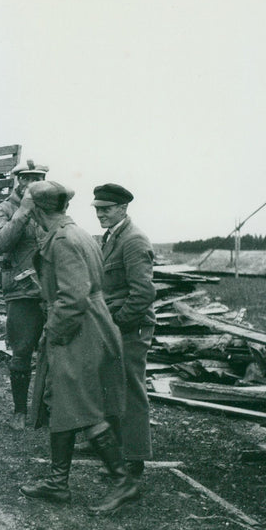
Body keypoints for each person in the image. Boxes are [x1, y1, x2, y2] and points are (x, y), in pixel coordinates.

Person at [19, 181, 138, 514]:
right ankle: (58, 482)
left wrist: (53, 332)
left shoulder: (64, 241)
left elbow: (73, 297)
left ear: (36, 210)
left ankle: (123, 481)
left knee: (81, 404)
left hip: (79, 328)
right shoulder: (77, 233)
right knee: (63, 399)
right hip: (86, 323)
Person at [92, 183, 156, 483]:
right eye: (97, 209)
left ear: (123, 208)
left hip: (130, 327)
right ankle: (118, 453)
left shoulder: (133, 240)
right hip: (115, 326)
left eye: (106, 209)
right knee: (114, 390)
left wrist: (119, 322)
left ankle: (135, 458)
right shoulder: (112, 237)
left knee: (131, 391)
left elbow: (143, 293)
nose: (100, 214)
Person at [0, 159, 49, 430]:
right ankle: (20, 411)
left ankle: (47, 410)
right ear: (18, 180)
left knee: (55, 351)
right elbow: (1, 242)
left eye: (38, 178)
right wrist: (23, 211)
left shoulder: (50, 208)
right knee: (22, 351)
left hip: (50, 289)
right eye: (27, 178)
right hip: (22, 290)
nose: (32, 183)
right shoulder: (3, 208)